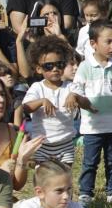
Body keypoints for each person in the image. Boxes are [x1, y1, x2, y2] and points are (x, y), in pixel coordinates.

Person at [69, 21, 112, 206]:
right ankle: (85, 193)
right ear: (93, 43)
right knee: (90, 162)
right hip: (92, 126)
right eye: (108, 42)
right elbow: (77, 88)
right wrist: (79, 100)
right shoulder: (85, 67)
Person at [22, 36, 76, 165]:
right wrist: (41, 101)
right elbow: (26, 107)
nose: (55, 69)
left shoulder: (71, 87)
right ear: (39, 69)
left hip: (66, 143)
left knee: (65, 177)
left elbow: (87, 104)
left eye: (60, 64)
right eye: (49, 66)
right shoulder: (37, 87)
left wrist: (76, 96)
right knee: (43, 178)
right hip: (42, 143)